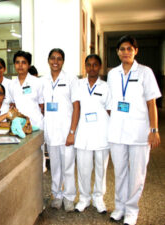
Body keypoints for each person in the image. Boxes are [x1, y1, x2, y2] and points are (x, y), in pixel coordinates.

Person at [107, 35, 161, 225]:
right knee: (120, 171)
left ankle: (131, 210)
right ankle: (119, 207)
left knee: (137, 173)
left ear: (136, 51)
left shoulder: (145, 72)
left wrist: (154, 129)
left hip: (139, 131)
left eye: (130, 48)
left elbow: (152, 102)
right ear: (117, 52)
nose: (126, 52)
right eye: (122, 49)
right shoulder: (113, 74)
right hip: (117, 131)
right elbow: (110, 103)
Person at [42, 48, 80, 212]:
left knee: (68, 166)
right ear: (48, 60)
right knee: (55, 166)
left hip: (66, 132)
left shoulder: (71, 79)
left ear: (63, 61)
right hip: (51, 131)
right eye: (52, 58)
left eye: (58, 58)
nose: (55, 61)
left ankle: (69, 197)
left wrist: (72, 132)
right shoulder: (43, 80)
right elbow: (41, 105)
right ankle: (57, 195)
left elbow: (76, 107)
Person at [74, 54, 111, 213]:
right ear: (85, 67)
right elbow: (76, 108)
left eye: (95, 65)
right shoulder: (78, 85)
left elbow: (110, 110)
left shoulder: (106, 87)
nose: (92, 68)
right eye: (88, 65)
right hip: (83, 133)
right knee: (83, 168)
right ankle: (84, 198)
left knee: (101, 167)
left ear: (100, 67)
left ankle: (98, 198)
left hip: (102, 132)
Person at [8, 50, 44, 129]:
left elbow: (42, 106)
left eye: (24, 62)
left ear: (29, 65)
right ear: (14, 64)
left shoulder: (37, 82)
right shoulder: (11, 84)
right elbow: (12, 104)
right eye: (17, 62)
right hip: (20, 125)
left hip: (36, 124)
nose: (20, 65)